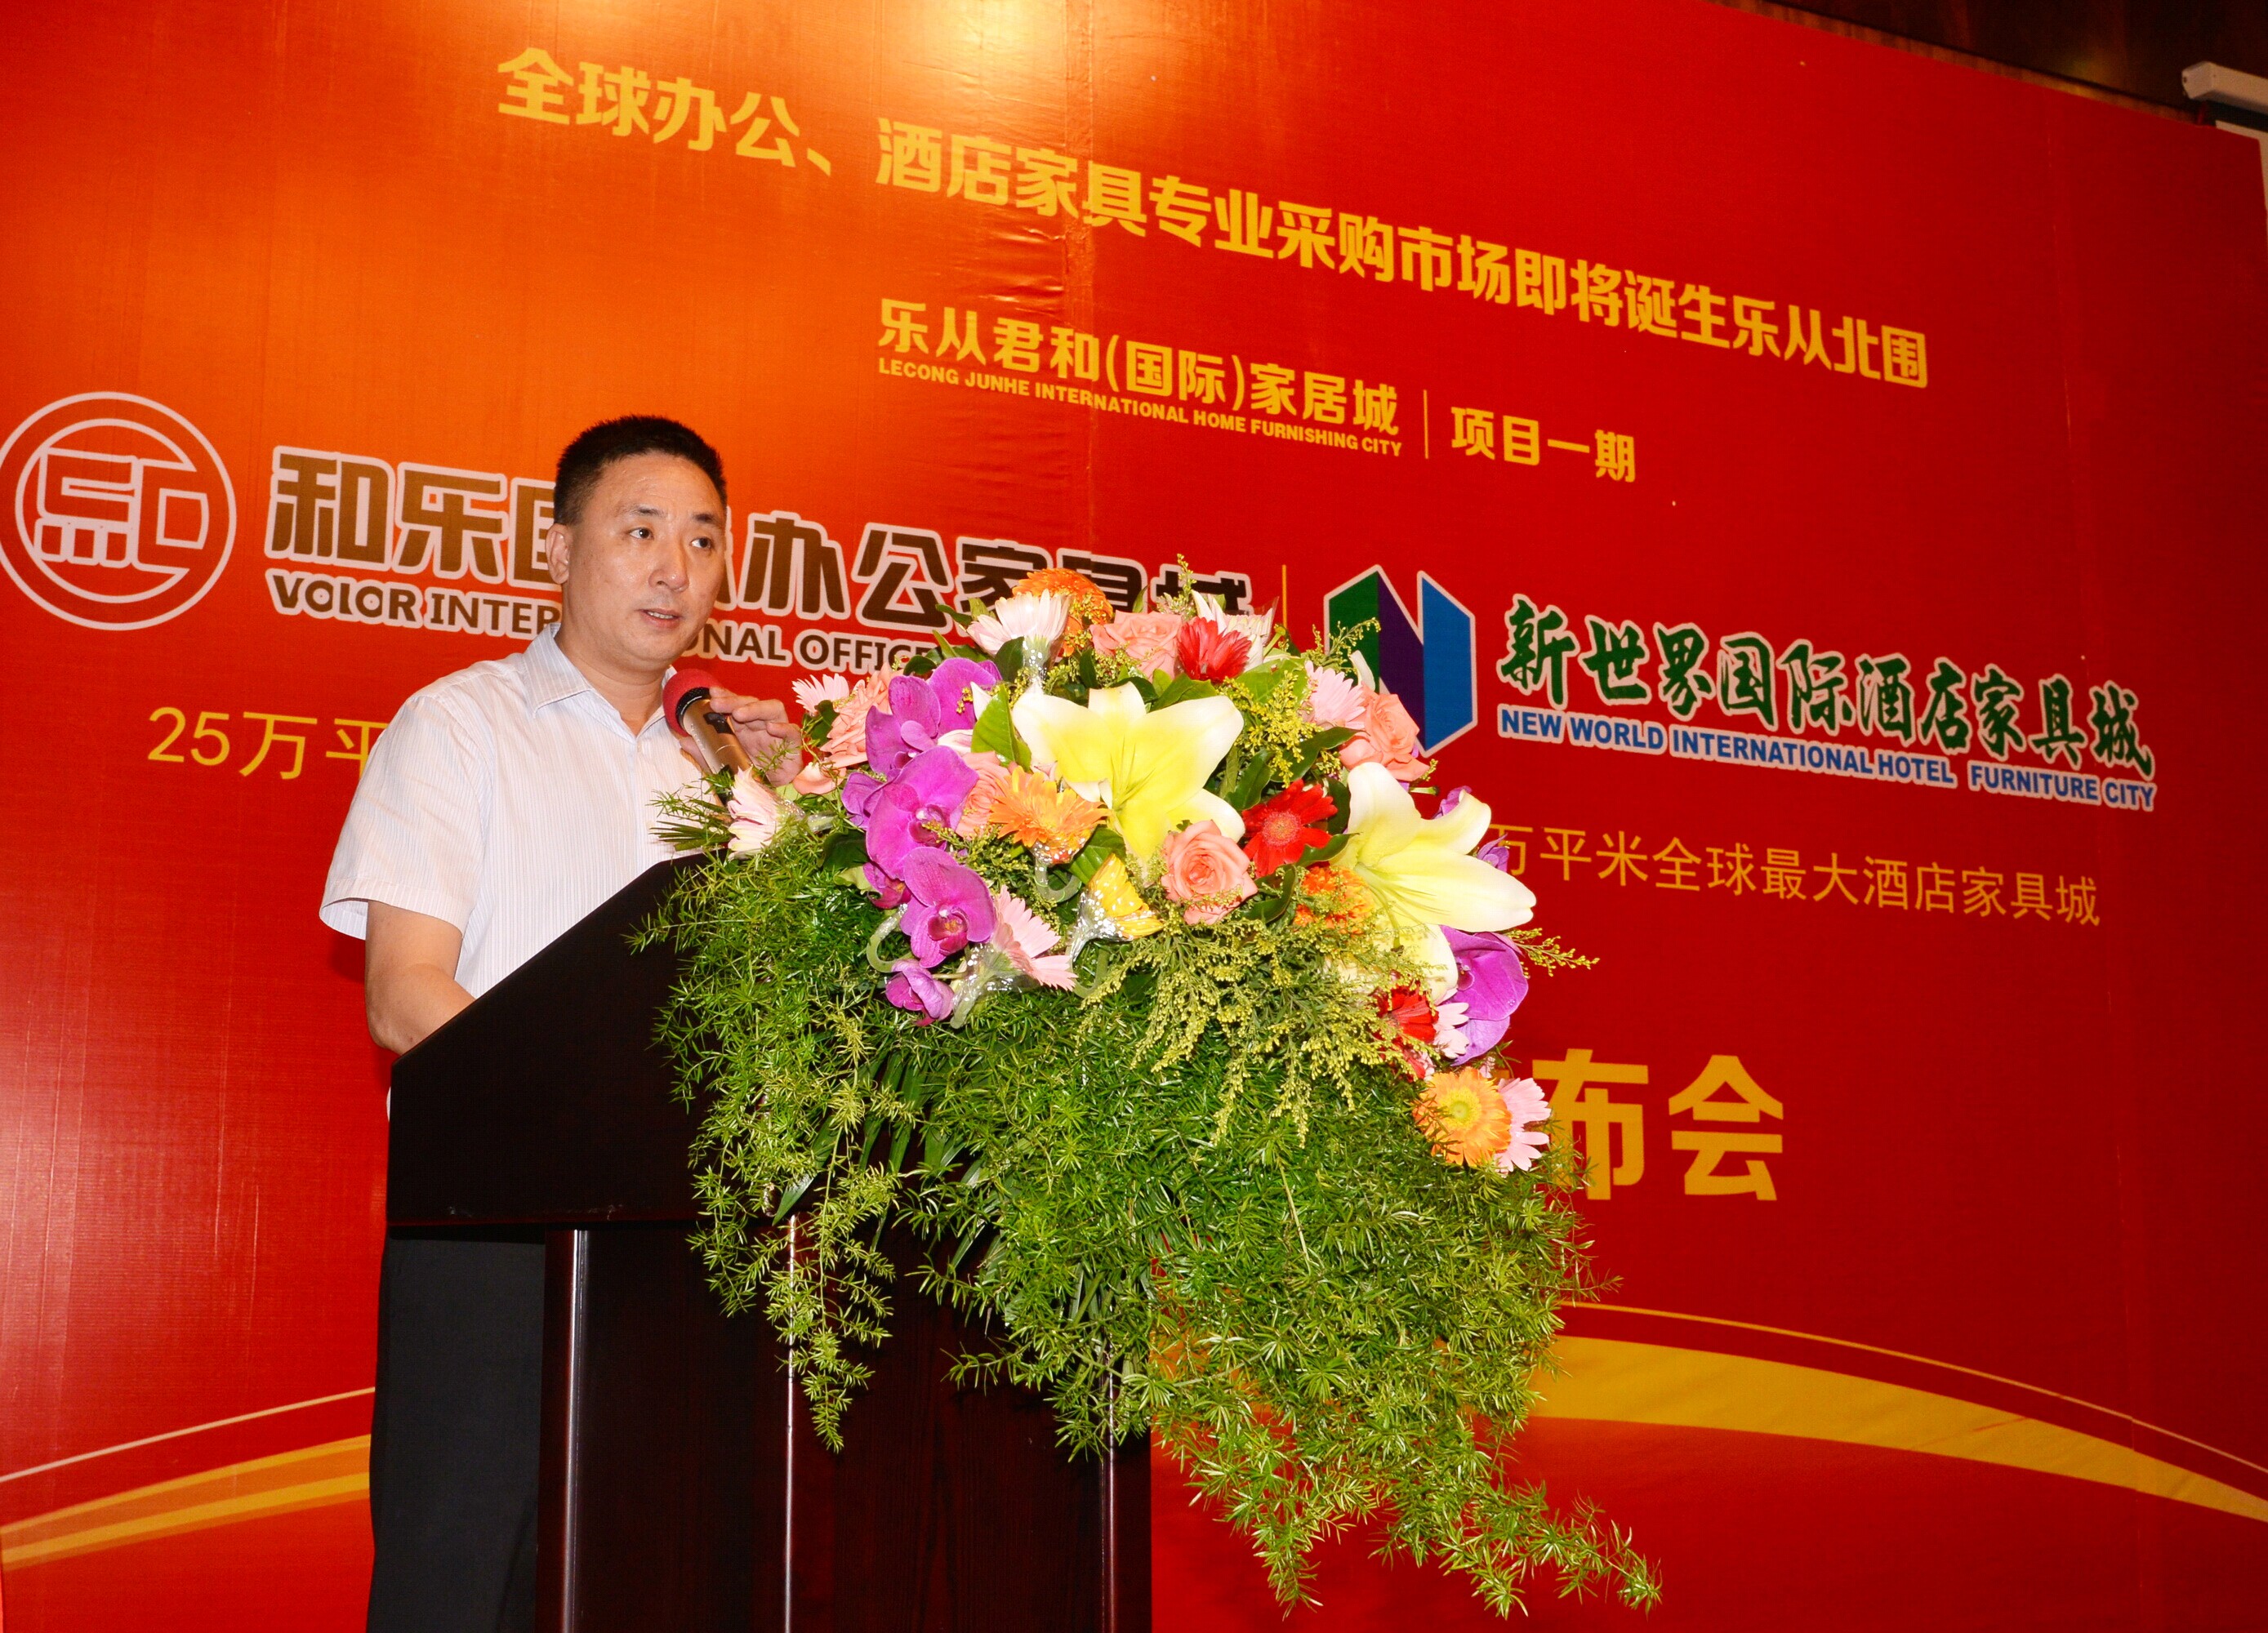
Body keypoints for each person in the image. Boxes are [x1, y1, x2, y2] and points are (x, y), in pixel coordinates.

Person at [320, 416, 799, 1633]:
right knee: (465, 1585)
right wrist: (604, 1139)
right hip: (496, 1231)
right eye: (639, 531)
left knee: (665, 1579)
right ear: (559, 547)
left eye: (703, 539)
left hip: (689, 1257)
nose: (673, 567)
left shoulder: (732, 776)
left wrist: (805, 812)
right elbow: (405, 992)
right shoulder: (461, 725)